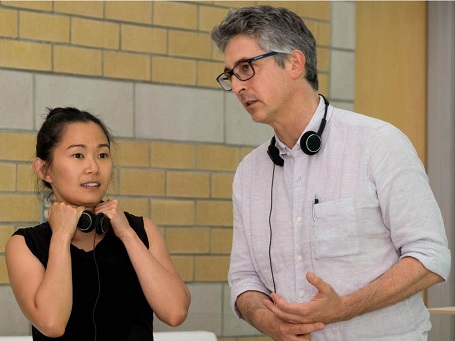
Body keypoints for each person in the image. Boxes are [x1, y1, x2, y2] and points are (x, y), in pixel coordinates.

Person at [211, 5, 451, 341]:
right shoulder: (249, 172)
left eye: (246, 68)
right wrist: (269, 322)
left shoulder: (378, 143)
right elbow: (244, 277)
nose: (237, 86)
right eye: (230, 75)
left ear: (294, 63)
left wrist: (345, 307)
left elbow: (430, 257)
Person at [5, 107, 191, 340]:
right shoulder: (24, 245)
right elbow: (52, 324)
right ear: (44, 169)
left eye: (102, 155)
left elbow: (175, 312)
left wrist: (128, 235)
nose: (93, 168)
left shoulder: (141, 230)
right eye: (78, 155)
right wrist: (61, 237)